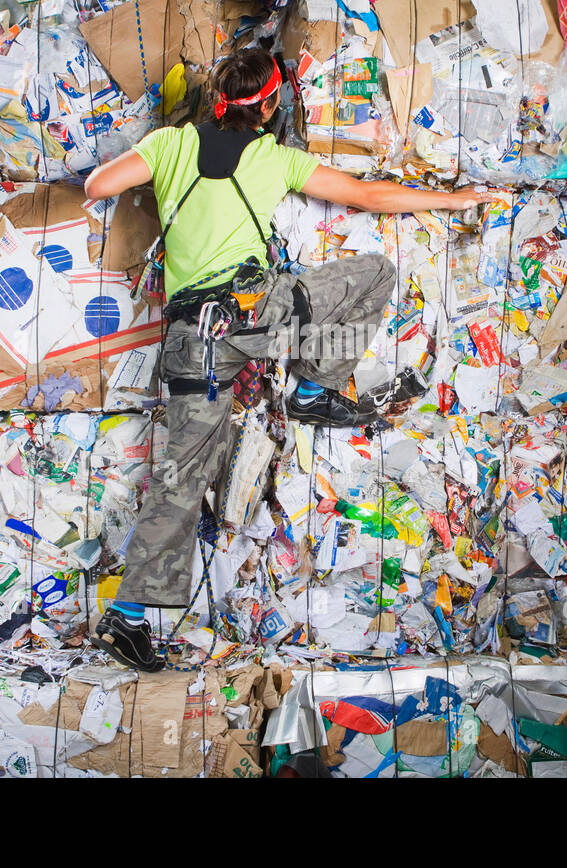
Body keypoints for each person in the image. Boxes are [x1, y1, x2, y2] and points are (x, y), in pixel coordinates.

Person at [83, 48, 491, 670]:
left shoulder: (169, 145)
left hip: (190, 340)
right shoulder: (274, 158)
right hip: (255, 322)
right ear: (270, 106)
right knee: (373, 275)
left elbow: (97, 185)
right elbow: (366, 197)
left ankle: (128, 617)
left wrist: (161, 173)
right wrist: (455, 201)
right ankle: (310, 389)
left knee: (181, 476)